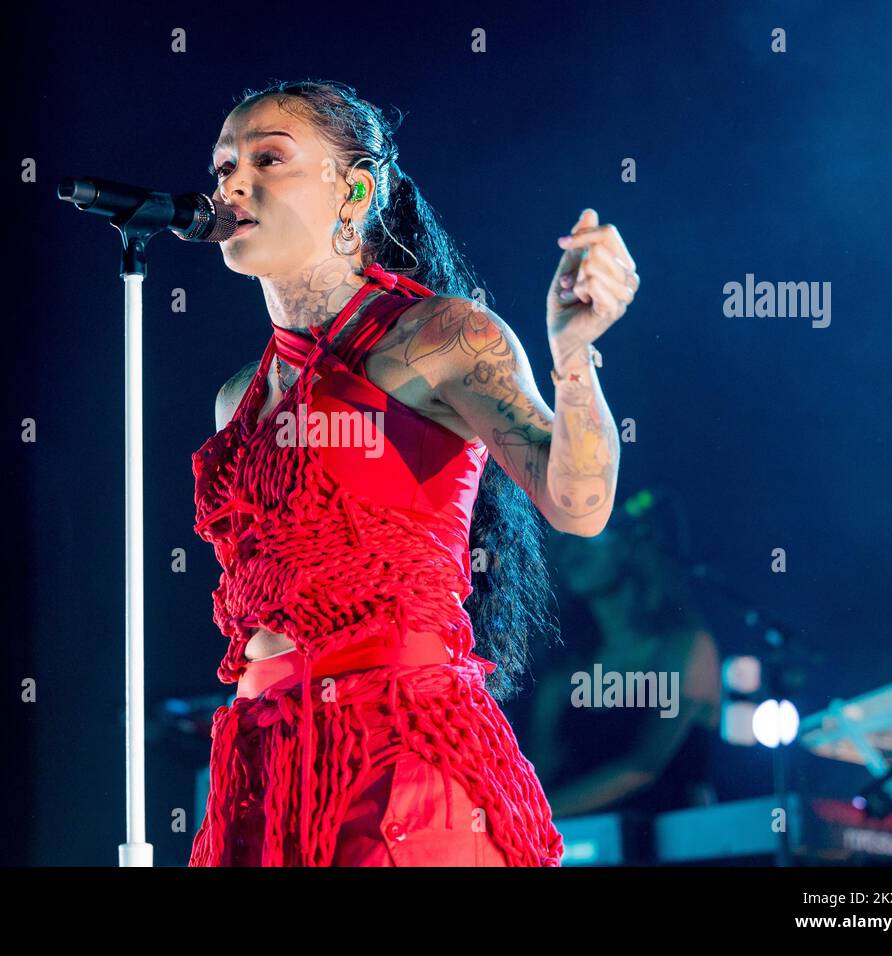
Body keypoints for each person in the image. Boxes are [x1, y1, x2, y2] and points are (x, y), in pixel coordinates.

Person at [189, 79, 640, 866]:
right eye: (223, 164)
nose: (231, 183)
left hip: (396, 746)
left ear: (354, 191)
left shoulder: (437, 336)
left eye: (268, 159)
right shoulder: (238, 398)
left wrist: (572, 351)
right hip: (265, 761)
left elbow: (580, 503)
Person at [524, 520, 721, 819]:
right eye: (562, 541)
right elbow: (535, 775)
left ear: (629, 541)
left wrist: (534, 816)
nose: (570, 548)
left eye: (586, 535)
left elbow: (643, 766)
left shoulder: (685, 647)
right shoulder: (562, 677)